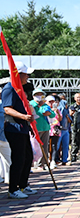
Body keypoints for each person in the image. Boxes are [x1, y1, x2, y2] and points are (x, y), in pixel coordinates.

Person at [3, 62, 36, 198]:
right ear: (18, 74)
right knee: (18, 158)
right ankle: (13, 189)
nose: (28, 76)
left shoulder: (19, 89)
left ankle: (23, 185)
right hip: (14, 128)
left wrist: (28, 124)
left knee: (28, 157)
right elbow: (7, 109)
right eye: (26, 74)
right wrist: (24, 117)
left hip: (22, 128)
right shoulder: (9, 89)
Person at [31, 88, 52, 168]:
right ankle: (33, 163)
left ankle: (43, 163)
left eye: (41, 94)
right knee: (35, 147)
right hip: (35, 128)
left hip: (45, 128)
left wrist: (47, 111)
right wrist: (39, 106)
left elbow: (51, 114)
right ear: (33, 96)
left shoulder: (45, 104)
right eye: (37, 94)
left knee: (45, 147)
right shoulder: (31, 104)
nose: (39, 96)